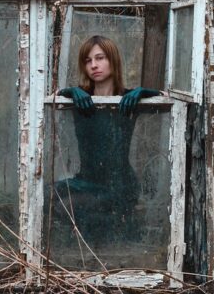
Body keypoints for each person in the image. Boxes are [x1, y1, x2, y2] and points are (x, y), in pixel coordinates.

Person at [50, 35, 164, 244]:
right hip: (87, 181)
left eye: (100, 58)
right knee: (47, 196)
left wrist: (144, 92)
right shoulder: (80, 98)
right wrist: (71, 91)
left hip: (119, 185)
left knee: (65, 205)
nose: (94, 65)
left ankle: (111, 235)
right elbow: (53, 96)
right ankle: (104, 235)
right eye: (87, 60)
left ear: (112, 60)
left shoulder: (128, 99)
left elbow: (167, 98)